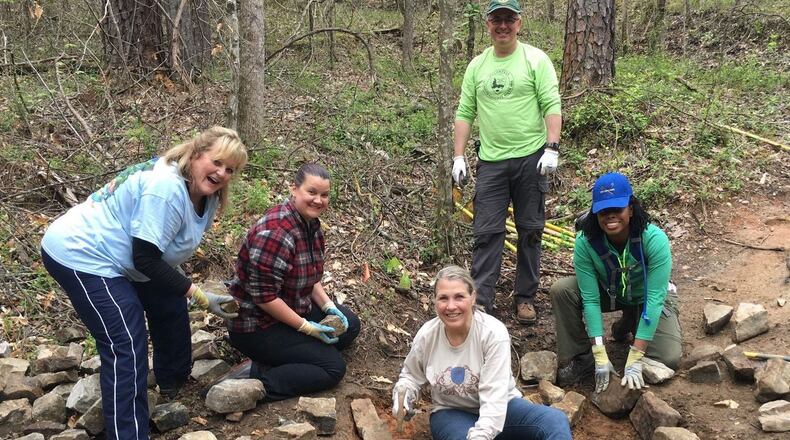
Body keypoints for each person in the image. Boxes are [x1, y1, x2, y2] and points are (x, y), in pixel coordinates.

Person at [40, 126, 248, 440]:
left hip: (125, 255)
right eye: (216, 162)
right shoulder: (165, 189)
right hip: (82, 252)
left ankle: (172, 384)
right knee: (125, 339)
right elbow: (146, 260)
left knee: (169, 299)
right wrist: (199, 295)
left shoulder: (207, 193)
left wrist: (184, 290)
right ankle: (129, 434)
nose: (221, 172)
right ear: (196, 153)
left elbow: (158, 255)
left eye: (229, 169)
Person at [452, 0, 562, 324]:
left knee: (530, 229)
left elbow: (551, 104)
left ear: (519, 23)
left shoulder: (535, 60)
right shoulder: (477, 66)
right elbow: (464, 112)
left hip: (531, 158)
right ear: (488, 23)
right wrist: (458, 156)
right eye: (497, 19)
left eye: (509, 19)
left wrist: (551, 147)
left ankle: (525, 297)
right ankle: (481, 299)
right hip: (491, 161)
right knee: (487, 232)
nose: (503, 25)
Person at [223, 163, 360, 401]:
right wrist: (305, 327)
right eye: (312, 192)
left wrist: (329, 307)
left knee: (350, 324)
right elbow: (264, 298)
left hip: (293, 307)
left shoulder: (310, 225)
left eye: (324, 195)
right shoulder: (276, 232)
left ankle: (298, 355)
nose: (318, 200)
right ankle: (254, 379)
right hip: (257, 326)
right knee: (332, 368)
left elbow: (311, 277)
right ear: (294, 189)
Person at [392, 266, 572, 440]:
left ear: (473, 298)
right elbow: (411, 376)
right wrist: (403, 396)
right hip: (451, 412)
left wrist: (481, 434)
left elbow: (494, 396)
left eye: (459, 297)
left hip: (504, 408)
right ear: (435, 301)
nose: (451, 306)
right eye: (443, 298)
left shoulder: (492, 333)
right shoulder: (427, 335)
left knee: (554, 421)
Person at [551, 172, 682, 392]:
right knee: (562, 290)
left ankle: (632, 321)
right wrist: (600, 353)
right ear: (595, 213)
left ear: (631, 209)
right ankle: (582, 357)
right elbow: (591, 300)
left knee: (667, 358)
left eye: (617, 209)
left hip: (646, 297)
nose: (610, 216)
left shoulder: (654, 239)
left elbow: (655, 298)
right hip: (610, 293)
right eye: (603, 211)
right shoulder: (586, 243)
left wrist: (637, 355)